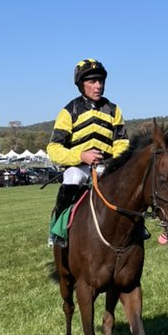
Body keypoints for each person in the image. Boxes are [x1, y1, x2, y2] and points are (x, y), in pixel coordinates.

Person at [46, 58, 129, 246]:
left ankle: (137, 227)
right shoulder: (69, 111)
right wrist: (80, 156)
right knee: (73, 178)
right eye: (92, 81)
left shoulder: (114, 110)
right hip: (80, 167)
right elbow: (54, 148)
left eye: (100, 81)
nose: (98, 85)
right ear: (81, 85)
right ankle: (57, 229)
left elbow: (122, 142)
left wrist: (114, 163)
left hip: (108, 167)